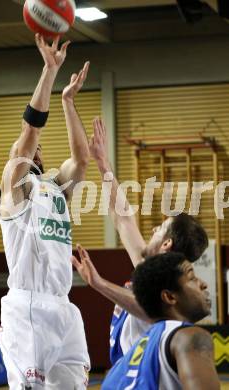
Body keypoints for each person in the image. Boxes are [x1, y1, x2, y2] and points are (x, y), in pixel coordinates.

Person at [72, 117, 209, 365]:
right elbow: (123, 218)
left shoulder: (170, 290)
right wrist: (102, 164)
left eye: (161, 227)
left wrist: (99, 283)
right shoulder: (150, 269)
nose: (154, 227)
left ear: (166, 245)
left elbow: (146, 307)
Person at [0, 33, 90, 390]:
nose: (33, 152)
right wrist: (49, 73)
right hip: (27, 306)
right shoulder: (13, 193)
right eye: (22, 150)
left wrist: (68, 101)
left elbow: (81, 160)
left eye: (37, 150)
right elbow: (30, 131)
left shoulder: (55, 188)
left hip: (63, 306)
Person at [101, 252, 220, 389]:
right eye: (192, 278)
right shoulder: (187, 336)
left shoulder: (118, 369)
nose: (203, 284)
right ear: (169, 297)